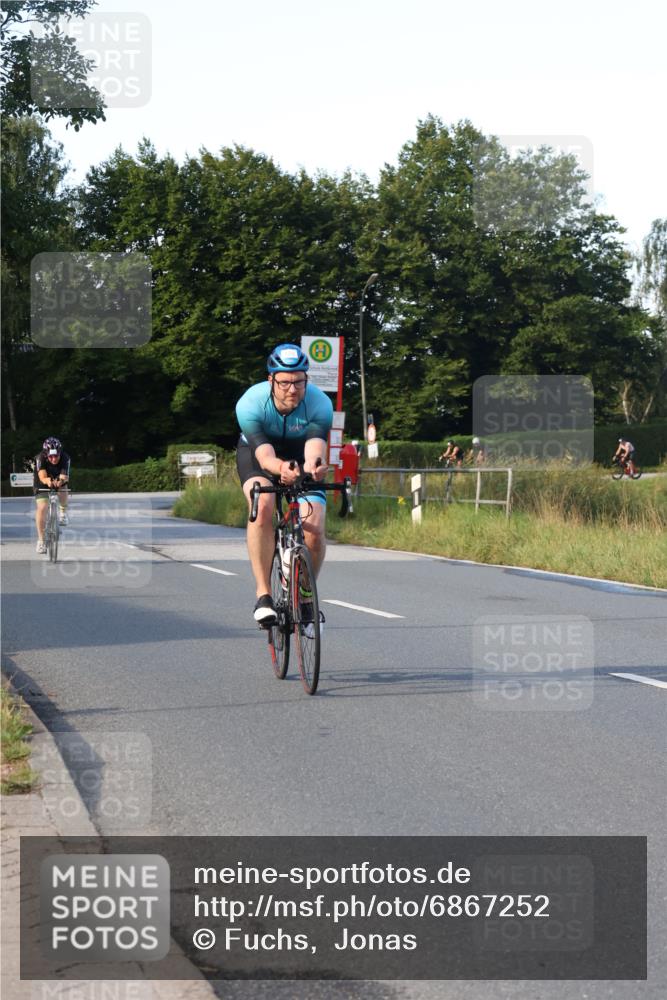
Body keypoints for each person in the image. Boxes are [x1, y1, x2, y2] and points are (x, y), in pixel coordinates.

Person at [235, 343, 333, 627]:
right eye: (285, 382)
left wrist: (314, 466)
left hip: (300, 454)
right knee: (262, 505)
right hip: (259, 456)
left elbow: (315, 446)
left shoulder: (319, 403)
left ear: (307, 380)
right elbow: (264, 457)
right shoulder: (250, 403)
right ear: (271, 380)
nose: (293, 388)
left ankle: (304, 594)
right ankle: (263, 594)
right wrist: (280, 469)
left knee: (314, 526)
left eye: (299, 381)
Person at [34, 437, 70, 553]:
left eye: (56, 456)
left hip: (58, 477)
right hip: (43, 481)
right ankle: (41, 541)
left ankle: (63, 512)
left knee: (63, 487)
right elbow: (42, 477)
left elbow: (64, 476)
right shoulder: (40, 458)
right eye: (51, 456)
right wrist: (48, 482)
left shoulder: (65, 458)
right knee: (42, 507)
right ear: (46, 455)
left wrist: (59, 482)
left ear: (60, 453)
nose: (54, 459)